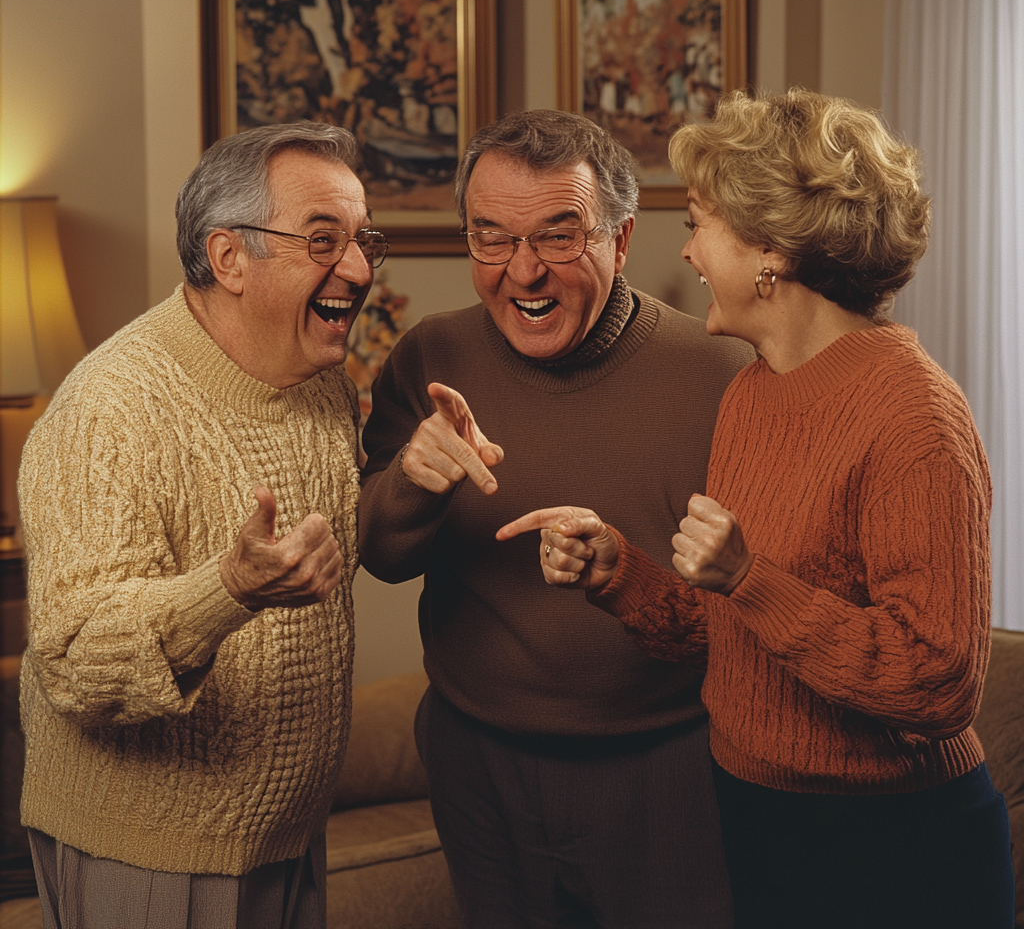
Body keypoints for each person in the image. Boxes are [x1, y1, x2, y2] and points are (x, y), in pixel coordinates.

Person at [500, 89, 1016, 929]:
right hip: (760, 817)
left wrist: (749, 578)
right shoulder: (751, 392)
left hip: (894, 847)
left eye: (699, 222)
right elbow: (733, 632)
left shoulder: (914, 416)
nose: (690, 250)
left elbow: (939, 680)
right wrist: (619, 573)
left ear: (769, 250)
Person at [358, 109, 753, 929]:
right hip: (478, 758)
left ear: (620, 239)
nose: (523, 271)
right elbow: (383, 556)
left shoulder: (722, 371)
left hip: (666, 763)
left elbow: (760, 598)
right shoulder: (430, 357)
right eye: (491, 238)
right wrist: (414, 480)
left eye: (558, 236)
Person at [17, 122, 388, 929]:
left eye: (364, 240)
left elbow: (322, 567)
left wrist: (416, 479)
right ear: (228, 258)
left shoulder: (323, 383)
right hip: (151, 851)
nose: (357, 271)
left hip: (287, 836)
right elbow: (75, 663)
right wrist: (229, 589)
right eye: (324, 240)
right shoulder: (109, 410)